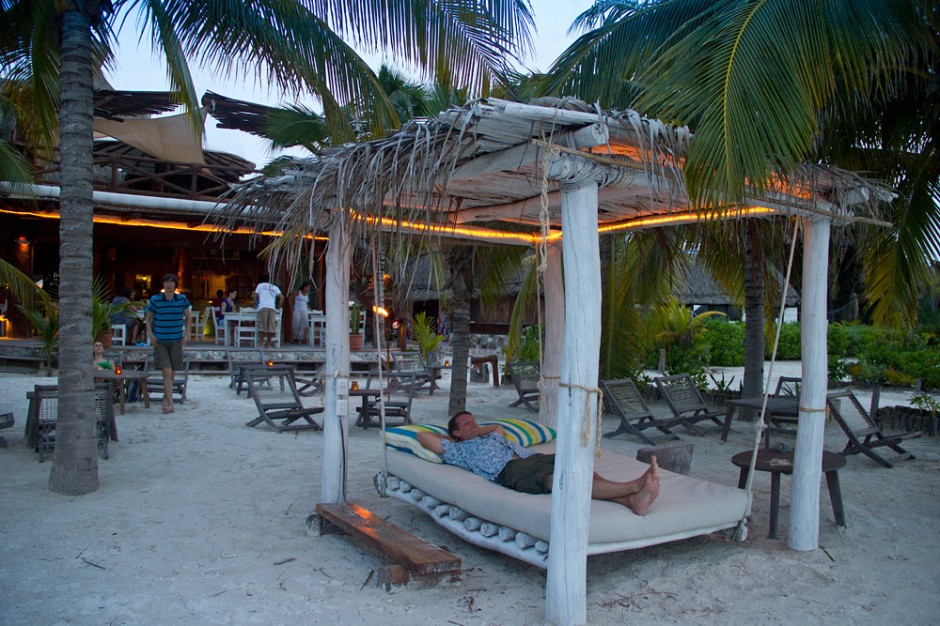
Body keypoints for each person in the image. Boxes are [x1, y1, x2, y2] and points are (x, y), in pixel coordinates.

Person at [417, 411, 660, 515]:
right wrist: (453, 438)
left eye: (473, 420)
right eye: (467, 423)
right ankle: (632, 486)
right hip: (511, 470)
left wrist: (478, 429)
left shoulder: (489, 434)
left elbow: (499, 427)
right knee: (557, 481)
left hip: (532, 457)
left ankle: (631, 501)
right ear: (457, 433)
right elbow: (421, 435)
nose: (474, 424)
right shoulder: (457, 449)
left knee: (577, 466)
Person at [146, 273, 191, 414]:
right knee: (166, 370)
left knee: (172, 371)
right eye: (166, 282)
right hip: (161, 340)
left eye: (171, 282)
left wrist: (186, 335)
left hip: (176, 340)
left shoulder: (181, 299)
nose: (169, 284)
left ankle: (166, 396)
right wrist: (151, 335)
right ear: (163, 284)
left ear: (175, 284)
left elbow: (188, 317)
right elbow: (148, 318)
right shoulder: (155, 299)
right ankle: (170, 402)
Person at [252, 274, 282, 348]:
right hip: (272, 308)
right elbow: (282, 297)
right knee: (271, 327)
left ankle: (261, 343)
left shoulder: (260, 285)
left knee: (262, 326)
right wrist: (279, 307)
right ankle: (268, 344)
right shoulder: (274, 287)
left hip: (263, 308)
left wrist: (254, 306)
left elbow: (255, 295)